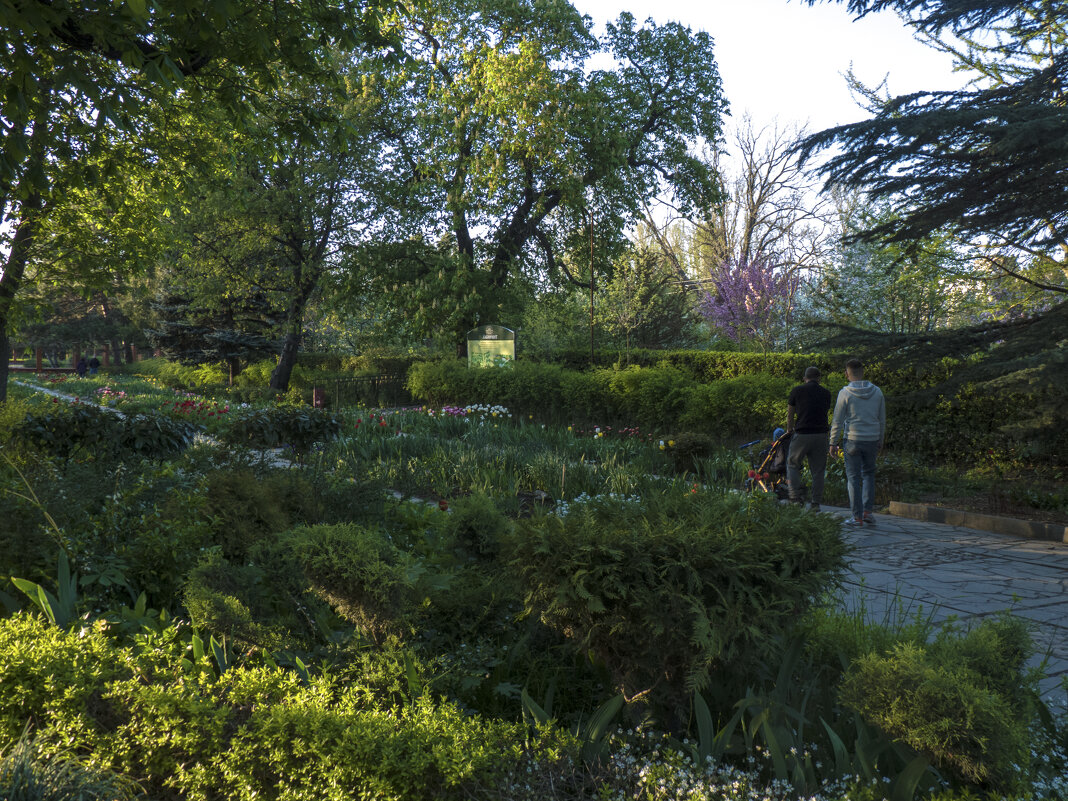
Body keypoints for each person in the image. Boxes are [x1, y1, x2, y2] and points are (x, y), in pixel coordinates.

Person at [828, 358, 886, 527]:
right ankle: (867, 512)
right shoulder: (877, 392)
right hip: (872, 438)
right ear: (863, 372)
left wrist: (832, 442)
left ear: (847, 374)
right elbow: (882, 419)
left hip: (852, 439)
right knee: (869, 474)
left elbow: (837, 420)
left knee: (853, 478)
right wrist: (880, 439)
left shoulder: (845, 393)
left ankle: (856, 517)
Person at [785, 365, 832, 510]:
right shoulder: (826, 393)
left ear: (805, 378)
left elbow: (790, 414)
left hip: (802, 434)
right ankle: (815, 503)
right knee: (818, 470)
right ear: (819, 378)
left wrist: (789, 430)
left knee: (792, 464)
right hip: (821, 435)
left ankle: (794, 497)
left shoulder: (797, 391)